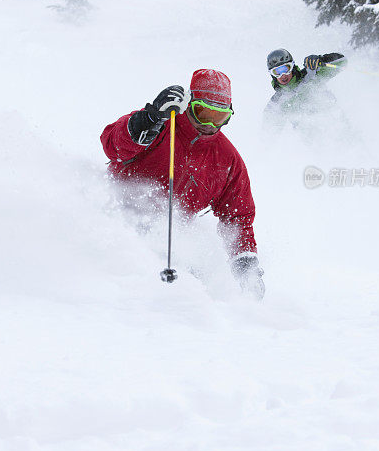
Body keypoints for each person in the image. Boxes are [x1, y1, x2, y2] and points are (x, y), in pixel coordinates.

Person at [100, 68, 265, 298]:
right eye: (202, 113)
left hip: (168, 242)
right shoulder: (160, 125)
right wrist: (147, 119)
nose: (210, 124)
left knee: (191, 287)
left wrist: (247, 269)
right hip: (110, 220)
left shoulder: (227, 159)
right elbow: (111, 146)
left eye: (219, 117)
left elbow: (238, 217)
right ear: (189, 104)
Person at [265, 48, 347, 116]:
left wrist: (322, 59)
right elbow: (268, 131)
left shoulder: (311, 75)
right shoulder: (276, 103)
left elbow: (343, 62)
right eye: (277, 72)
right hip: (311, 135)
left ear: (292, 67)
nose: (283, 75)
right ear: (272, 75)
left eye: (285, 69)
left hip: (337, 126)